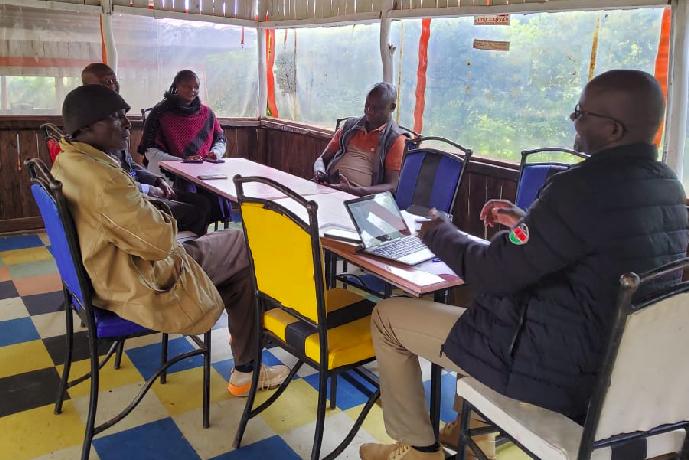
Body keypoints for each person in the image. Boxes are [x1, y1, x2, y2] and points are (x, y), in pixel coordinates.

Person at [359, 69, 689, 460]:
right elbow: (593, 246)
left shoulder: (579, 187)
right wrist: (529, 222)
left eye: (581, 113)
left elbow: (491, 272)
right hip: (613, 369)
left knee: (388, 316)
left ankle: (417, 449)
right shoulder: (667, 187)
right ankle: (472, 434)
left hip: (550, 371)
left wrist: (439, 232)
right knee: (476, 311)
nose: (574, 120)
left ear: (614, 130)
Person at [53, 84, 289, 397]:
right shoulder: (103, 180)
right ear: (86, 126)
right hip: (141, 281)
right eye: (116, 117)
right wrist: (161, 211)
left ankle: (247, 355)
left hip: (110, 273)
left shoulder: (69, 162)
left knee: (238, 264)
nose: (127, 124)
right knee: (244, 245)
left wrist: (149, 206)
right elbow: (161, 244)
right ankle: (251, 354)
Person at [81, 63, 212, 236]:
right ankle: (180, 247)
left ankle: (186, 244)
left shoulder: (205, 112)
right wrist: (149, 189)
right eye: (106, 81)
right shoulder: (92, 124)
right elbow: (113, 181)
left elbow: (129, 164)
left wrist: (157, 181)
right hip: (130, 199)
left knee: (203, 203)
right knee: (195, 211)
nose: (127, 124)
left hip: (141, 187)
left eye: (114, 80)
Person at [138, 69, 229, 222]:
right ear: (176, 86)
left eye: (196, 87)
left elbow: (220, 139)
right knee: (194, 199)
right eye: (187, 86)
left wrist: (215, 152)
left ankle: (204, 231)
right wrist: (182, 162)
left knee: (217, 197)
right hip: (168, 173)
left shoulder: (207, 113)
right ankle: (191, 227)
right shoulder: (160, 113)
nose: (192, 90)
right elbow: (149, 151)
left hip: (203, 172)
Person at [313, 82, 407, 197]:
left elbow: (392, 186)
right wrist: (319, 171)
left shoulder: (396, 139)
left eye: (376, 108)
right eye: (367, 105)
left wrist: (354, 190)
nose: (369, 111)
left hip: (360, 198)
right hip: (329, 185)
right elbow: (322, 159)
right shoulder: (349, 126)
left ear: (392, 107)